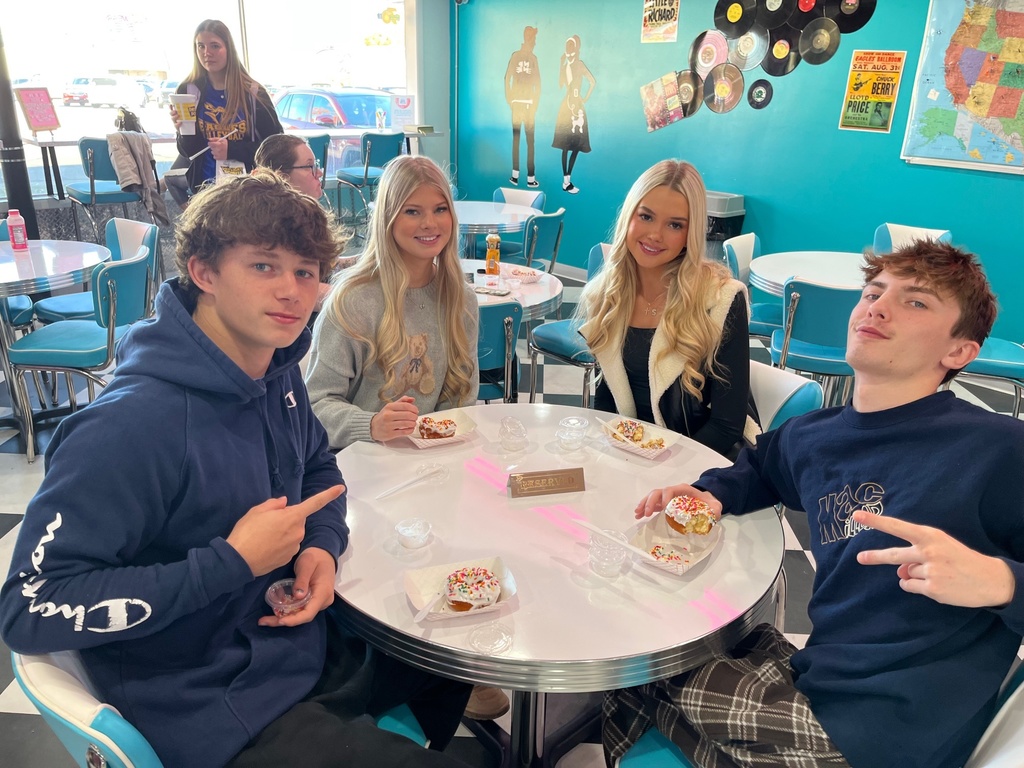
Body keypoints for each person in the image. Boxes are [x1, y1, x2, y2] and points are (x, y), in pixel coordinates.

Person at [0, 170, 471, 768]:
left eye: (305, 272)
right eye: (264, 266)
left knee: (451, 654)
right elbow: (29, 606)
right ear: (203, 272)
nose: (292, 292)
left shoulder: (277, 375)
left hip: (297, 647)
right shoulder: (129, 426)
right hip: (208, 704)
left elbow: (319, 470)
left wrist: (319, 548)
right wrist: (231, 562)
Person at [603, 240, 1024, 768]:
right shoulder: (814, 434)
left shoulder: (1001, 449)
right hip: (818, 680)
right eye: (873, 292)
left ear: (959, 351)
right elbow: (760, 469)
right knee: (636, 673)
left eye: (915, 302)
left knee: (638, 665)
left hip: (886, 732)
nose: (877, 307)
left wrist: (1001, 581)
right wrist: (710, 492)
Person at [576, 159, 752, 459]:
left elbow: (726, 426)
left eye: (675, 225)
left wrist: (662, 471)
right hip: (630, 458)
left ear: (690, 233)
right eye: (646, 216)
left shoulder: (721, 299)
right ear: (629, 216)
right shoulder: (607, 295)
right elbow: (607, 405)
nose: (655, 234)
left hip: (696, 468)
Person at [305, 155, 480, 452]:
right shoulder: (352, 301)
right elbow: (314, 406)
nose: (429, 223)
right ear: (388, 217)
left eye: (440, 210)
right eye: (412, 211)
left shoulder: (461, 299)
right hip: (356, 463)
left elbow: (460, 398)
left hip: (431, 464)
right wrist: (372, 425)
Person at [167, 19, 283, 204]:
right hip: (205, 190)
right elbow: (189, 151)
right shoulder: (188, 90)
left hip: (247, 190)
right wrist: (182, 129)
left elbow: (276, 146)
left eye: (215, 46)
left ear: (228, 49)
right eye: (201, 46)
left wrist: (232, 150)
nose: (207, 53)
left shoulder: (252, 92)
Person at [255, 133, 337, 325]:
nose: (319, 173)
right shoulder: (275, 225)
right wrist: (355, 297)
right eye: (310, 167)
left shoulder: (304, 216)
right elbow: (298, 288)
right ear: (282, 176)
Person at [551, 34, 595, 194]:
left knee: (577, 143)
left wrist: (585, 98)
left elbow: (592, 82)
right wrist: (560, 64)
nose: (569, 49)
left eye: (571, 46)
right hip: (566, 105)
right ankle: (566, 180)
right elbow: (560, 84)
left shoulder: (580, 64)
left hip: (577, 104)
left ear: (576, 48)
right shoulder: (565, 66)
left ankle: (567, 178)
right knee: (565, 145)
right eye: (567, 46)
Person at [505, 25, 541, 188]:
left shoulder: (521, 56)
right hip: (525, 105)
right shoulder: (530, 58)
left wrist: (511, 100)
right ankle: (529, 177)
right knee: (528, 141)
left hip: (522, 104)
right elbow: (537, 84)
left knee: (518, 140)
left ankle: (517, 175)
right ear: (530, 40)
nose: (534, 42)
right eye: (533, 39)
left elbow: (508, 79)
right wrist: (512, 100)